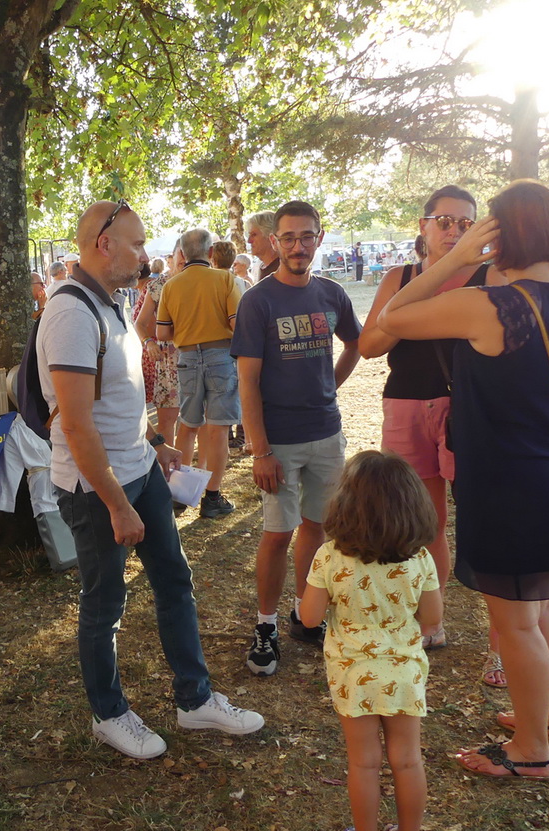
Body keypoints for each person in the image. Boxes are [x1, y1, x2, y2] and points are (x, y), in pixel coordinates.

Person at [380, 180, 549, 781]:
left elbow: (393, 317)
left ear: (505, 233)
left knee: (516, 621)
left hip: (506, 483)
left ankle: (532, 751)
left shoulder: (490, 306)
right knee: (542, 607)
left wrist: (451, 260)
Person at [37, 199, 263, 759]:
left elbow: (117, 403)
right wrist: (117, 505)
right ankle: (109, 714)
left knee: (174, 582)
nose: (146, 255)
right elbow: (76, 423)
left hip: (139, 472)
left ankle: (196, 700)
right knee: (104, 603)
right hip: (96, 490)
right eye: (137, 245)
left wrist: (156, 445)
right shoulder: (69, 313)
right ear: (103, 244)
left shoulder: (111, 302)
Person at [357, 185, 499, 652]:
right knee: (423, 522)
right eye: (445, 222)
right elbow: (370, 347)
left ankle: (502, 642)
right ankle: (431, 621)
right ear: (423, 225)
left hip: (472, 413)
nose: (455, 231)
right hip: (406, 406)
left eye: (465, 223)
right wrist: (423, 291)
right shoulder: (401, 277)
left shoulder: (492, 275)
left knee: (484, 521)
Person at [232, 200, 362, 675]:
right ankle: (265, 625)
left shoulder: (332, 294)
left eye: (306, 236)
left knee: (318, 527)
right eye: (288, 238)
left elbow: (356, 345)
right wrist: (260, 449)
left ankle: (306, 615)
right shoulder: (258, 301)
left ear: (320, 239)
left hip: (326, 434)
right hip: (279, 442)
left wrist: (330, 385)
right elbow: (247, 381)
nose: (297, 246)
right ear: (275, 243)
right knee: (276, 532)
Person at [300, 451, 442, 831]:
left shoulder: (329, 557)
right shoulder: (421, 558)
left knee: (363, 762)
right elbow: (433, 620)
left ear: (345, 505)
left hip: (352, 674)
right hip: (405, 674)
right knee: (408, 760)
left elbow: (309, 618)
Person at [156, 228, 243, 518]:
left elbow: (162, 332)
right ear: (210, 253)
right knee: (218, 429)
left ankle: (180, 494)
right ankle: (212, 497)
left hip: (188, 358)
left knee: (188, 425)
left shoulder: (171, 285)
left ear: (182, 253)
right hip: (220, 357)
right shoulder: (225, 279)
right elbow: (237, 324)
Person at [134, 258, 180, 441]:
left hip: (195, 357)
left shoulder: (207, 281)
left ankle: (197, 468)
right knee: (167, 419)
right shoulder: (158, 285)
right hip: (166, 359)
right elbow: (141, 324)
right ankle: (171, 467)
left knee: (195, 422)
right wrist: (148, 342)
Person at [245, 211, 280, 281]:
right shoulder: (262, 267)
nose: (249, 241)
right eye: (249, 235)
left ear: (271, 237)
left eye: (254, 235)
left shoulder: (282, 271)